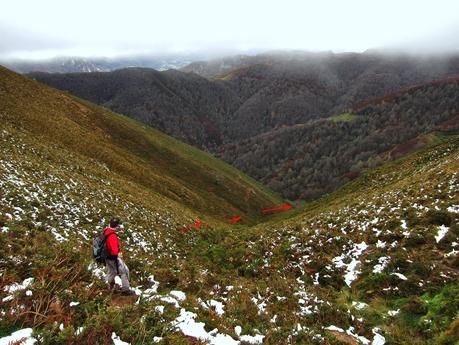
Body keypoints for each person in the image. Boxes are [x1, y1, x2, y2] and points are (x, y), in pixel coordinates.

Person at [104, 217, 136, 296]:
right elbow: (114, 250)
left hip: (106, 256)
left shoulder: (106, 231)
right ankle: (125, 290)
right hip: (113, 257)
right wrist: (118, 254)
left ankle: (109, 288)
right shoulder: (112, 236)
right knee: (124, 271)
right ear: (117, 226)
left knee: (111, 272)